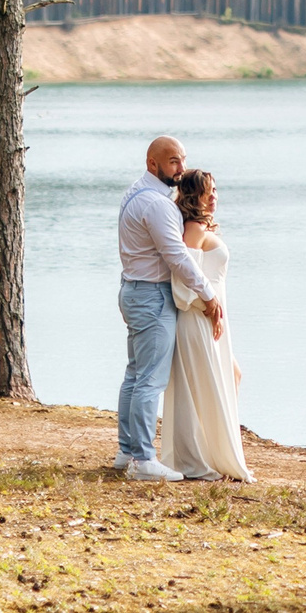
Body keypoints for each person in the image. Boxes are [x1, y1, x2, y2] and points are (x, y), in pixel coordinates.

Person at [115, 135, 220, 481]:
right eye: (173, 161)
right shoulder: (157, 205)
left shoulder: (136, 193)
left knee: (135, 374)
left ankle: (127, 452)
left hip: (134, 291)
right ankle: (143, 461)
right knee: (150, 380)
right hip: (151, 296)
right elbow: (177, 256)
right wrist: (208, 294)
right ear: (153, 163)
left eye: (182, 160)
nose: (181, 168)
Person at [159, 170, 252, 481]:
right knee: (203, 385)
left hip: (210, 318)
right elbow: (184, 281)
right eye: (206, 192)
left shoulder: (201, 226)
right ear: (192, 196)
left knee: (230, 375)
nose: (213, 197)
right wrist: (208, 308)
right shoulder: (194, 229)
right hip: (198, 318)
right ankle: (203, 457)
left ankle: (217, 449)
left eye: (215, 190)